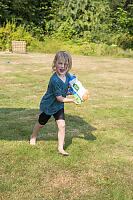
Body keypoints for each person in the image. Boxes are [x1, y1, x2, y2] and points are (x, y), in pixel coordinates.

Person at [30, 51, 78, 156]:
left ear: (69, 66)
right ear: (55, 63)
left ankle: (60, 148)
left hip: (58, 106)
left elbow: (68, 88)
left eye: (65, 64)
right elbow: (60, 97)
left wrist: (76, 90)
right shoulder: (54, 80)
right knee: (41, 124)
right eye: (60, 63)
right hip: (48, 105)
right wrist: (72, 100)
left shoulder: (67, 75)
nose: (62, 66)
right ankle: (33, 136)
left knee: (62, 125)